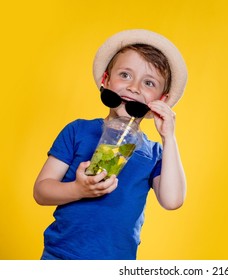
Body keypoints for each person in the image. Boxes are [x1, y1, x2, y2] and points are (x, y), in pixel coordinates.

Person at [33, 29, 188, 260]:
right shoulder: (78, 131)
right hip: (60, 258)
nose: (134, 87)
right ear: (105, 80)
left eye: (148, 82)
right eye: (125, 75)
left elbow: (172, 200)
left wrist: (169, 137)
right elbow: (41, 192)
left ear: (161, 100)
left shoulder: (155, 153)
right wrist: (78, 189)